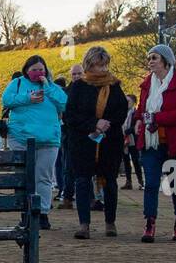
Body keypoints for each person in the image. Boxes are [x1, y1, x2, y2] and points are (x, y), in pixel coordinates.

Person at [62, 46, 127, 239]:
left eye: (105, 65)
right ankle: (84, 224)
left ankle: (110, 222)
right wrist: (93, 124)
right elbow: (70, 115)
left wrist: (108, 124)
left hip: (109, 141)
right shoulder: (78, 86)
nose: (103, 69)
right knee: (82, 181)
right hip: (83, 141)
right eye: (99, 65)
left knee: (110, 182)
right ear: (90, 65)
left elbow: (121, 111)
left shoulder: (114, 86)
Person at [133, 44, 176, 242]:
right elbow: (141, 108)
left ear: (166, 61)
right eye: (149, 58)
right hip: (151, 142)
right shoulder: (146, 85)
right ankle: (149, 222)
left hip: (175, 142)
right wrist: (139, 119)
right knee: (150, 184)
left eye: (154, 58)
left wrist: (157, 118)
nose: (150, 61)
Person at [0, 53, 66, 231]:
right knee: (25, 177)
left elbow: (64, 104)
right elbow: (6, 100)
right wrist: (27, 98)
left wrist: (48, 87)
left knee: (43, 177)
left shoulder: (52, 87)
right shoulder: (17, 83)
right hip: (21, 138)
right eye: (34, 69)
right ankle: (25, 212)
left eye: (41, 69)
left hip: (49, 139)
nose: (38, 72)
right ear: (27, 70)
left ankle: (42, 213)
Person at [56, 62, 85, 209]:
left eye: (79, 73)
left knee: (87, 168)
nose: (77, 76)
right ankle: (67, 196)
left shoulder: (90, 90)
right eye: (74, 74)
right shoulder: (65, 93)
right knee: (68, 167)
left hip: (86, 134)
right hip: (69, 134)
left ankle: (90, 198)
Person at [121, 93, 144, 190]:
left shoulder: (135, 113)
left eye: (128, 101)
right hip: (124, 140)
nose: (126, 103)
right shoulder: (122, 113)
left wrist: (127, 131)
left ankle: (140, 181)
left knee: (135, 161)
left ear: (134, 103)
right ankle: (128, 181)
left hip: (133, 140)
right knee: (126, 161)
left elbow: (135, 126)